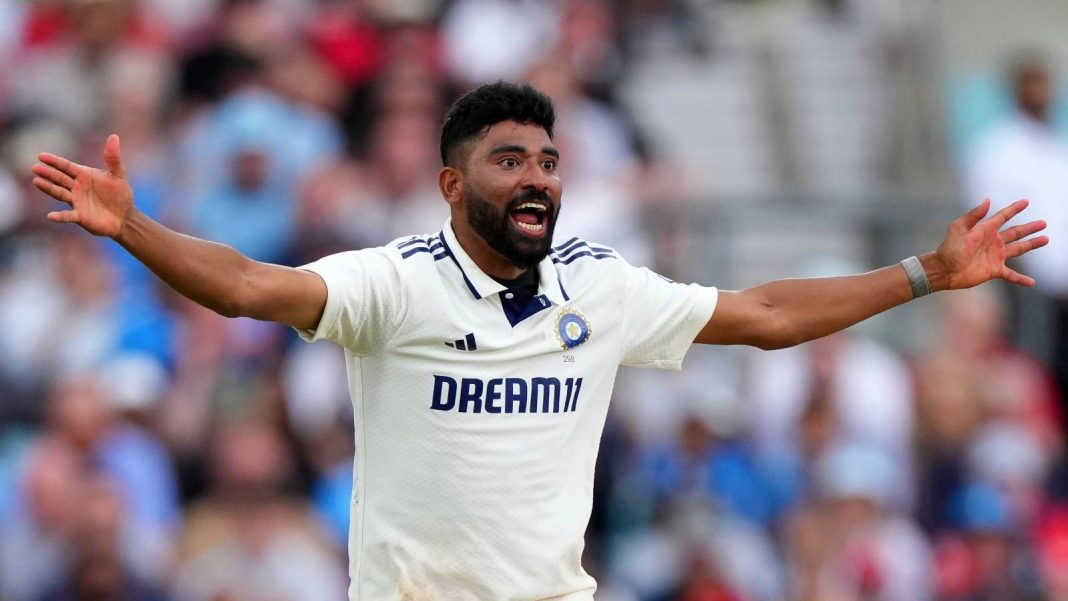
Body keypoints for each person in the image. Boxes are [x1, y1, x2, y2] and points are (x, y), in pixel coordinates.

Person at [31, 81, 1047, 600]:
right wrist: (136, 228)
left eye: (550, 160)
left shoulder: (598, 287)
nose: (538, 178)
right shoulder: (393, 282)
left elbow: (766, 316)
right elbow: (251, 287)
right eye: (509, 158)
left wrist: (924, 273)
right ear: (450, 183)